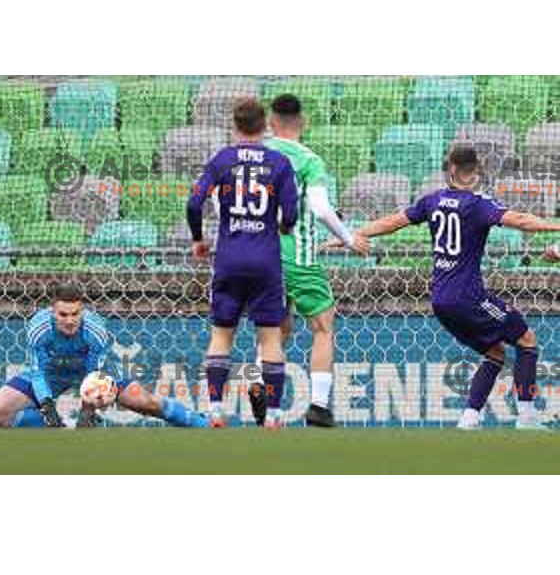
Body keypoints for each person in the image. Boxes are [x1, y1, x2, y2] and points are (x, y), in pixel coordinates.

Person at [350, 146, 560, 429]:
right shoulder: (478, 204)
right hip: (469, 297)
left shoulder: (432, 200)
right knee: (526, 339)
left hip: (440, 301)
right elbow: (519, 220)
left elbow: (392, 222)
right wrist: (556, 228)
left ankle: (469, 417)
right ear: (476, 172)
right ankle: (526, 416)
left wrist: (357, 233)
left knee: (495, 352)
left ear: (450, 169)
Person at [187, 98, 298, 428]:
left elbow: (194, 203)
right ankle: (274, 415)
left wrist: (198, 239)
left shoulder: (222, 160)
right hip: (266, 261)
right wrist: (283, 226)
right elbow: (291, 213)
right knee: (270, 338)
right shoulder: (279, 162)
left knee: (221, 335)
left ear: (234, 127)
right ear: (265, 126)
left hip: (229, 259)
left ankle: (217, 410)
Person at [263, 94, 368, 427]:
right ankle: (319, 406)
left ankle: (263, 397)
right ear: (302, 122)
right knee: (322, 327)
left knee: (274, 332)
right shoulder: (309, 159)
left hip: (259, 255)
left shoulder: (255, 154)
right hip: (299, 254)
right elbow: (321, 209)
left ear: (271, 122)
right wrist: (349, 239)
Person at [0, 283, 208, 428]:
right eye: (63, 314)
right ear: (52, 312)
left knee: (144, 402)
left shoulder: (95, 330)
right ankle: (62, 427)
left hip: (95, 372)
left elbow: (94, 373)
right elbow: (38, 372)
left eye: (75, 314)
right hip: (52, 373)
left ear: (81, 311)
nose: (70, 320)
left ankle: (201, 424)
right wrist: (46, 406)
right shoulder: (39, 328)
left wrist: (88, 409)